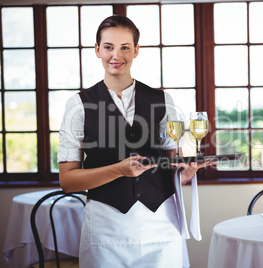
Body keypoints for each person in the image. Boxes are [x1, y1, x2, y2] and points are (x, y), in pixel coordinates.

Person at [58, 15, 213, 267]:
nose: (116, 55)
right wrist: (118, 170)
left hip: (161, 224)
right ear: (97, 50)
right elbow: (67, 181)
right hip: (106, 227)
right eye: (108, 47)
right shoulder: (78, 105)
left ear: (136, 50)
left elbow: (172, 170)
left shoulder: (163, 101)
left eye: (125, 47)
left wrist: (186, 173)